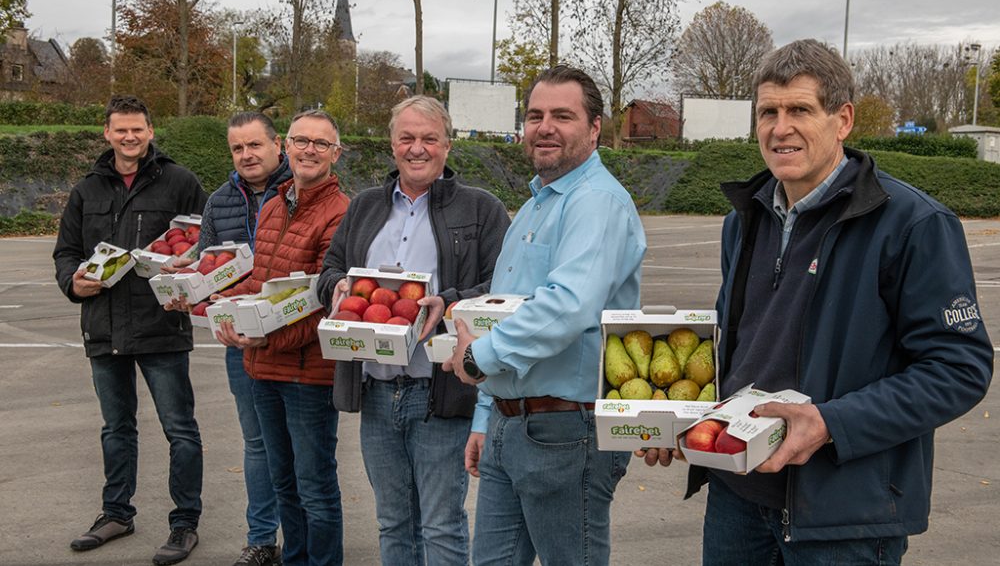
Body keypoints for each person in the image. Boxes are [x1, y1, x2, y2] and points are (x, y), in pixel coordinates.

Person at [639, 39, 994, 565]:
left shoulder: (913, 225)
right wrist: (681, 418)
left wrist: (831, 422)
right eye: (768, 112)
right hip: (737, 495)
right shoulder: (744, 221)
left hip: (843, 517)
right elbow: (736, 352)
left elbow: (959, 368)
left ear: (843, 119)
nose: (780, 128)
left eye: (800, 110)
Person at [443, 65, 646, 565]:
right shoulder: (539, 204)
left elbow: (569, 303)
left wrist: (477, 360)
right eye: (535, 115)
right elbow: (506, 311)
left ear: (595, 128)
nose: (545, 126)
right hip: (512, 426)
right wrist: (487, 414)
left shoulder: (594, 201)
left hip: (564, 432)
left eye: (562, 115)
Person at [316, 96, 510, 565]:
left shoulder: (481, 209)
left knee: (441, 525)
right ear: (392, 144)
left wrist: (451, 301)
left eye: (428, 138)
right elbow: (330, 270)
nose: (416, 148)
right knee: (392, 522)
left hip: (439, 391)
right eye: (406, 138)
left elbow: (505, 285)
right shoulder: (364, 207)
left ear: (447, 145)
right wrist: (337, 287)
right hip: (378, 392)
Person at [52, 95, 208, 565]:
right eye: (120, 130)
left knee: (180, 430)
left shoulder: (180, 181)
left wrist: (189, 269)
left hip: (160, 325)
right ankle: (116, 512)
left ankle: (184, 525)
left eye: (137, 129)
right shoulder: (87, 189)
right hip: (103, 327)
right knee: (116, 428)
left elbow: (208, 240)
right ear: (107, 133)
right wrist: (73, 282)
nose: (129, 137)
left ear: (151, 131)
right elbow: (66, 252)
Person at [214, 109, 350, 566]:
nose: (309, 149)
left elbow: (327, 305)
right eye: (301, 140)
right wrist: (212, 303)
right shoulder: (274, 205)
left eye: (321, 143)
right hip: (262, 370)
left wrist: (264, 339)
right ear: (285, 147)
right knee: (285, 484)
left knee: (314, 487)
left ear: (336, 153)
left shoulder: (341, 213)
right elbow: (259, 281)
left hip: (307, 376)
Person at [166, 111, 290, 566]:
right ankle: (261, 539)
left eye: (255, 145)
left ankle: (307, 537)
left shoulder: (303, 190)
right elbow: (210, 266)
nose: (246, 155)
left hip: (296, 341)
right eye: (238, 148)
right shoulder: (219, 201)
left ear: (278, 145)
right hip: (240, 342)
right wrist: (189, 288)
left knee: (306, 444)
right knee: (256, 443)